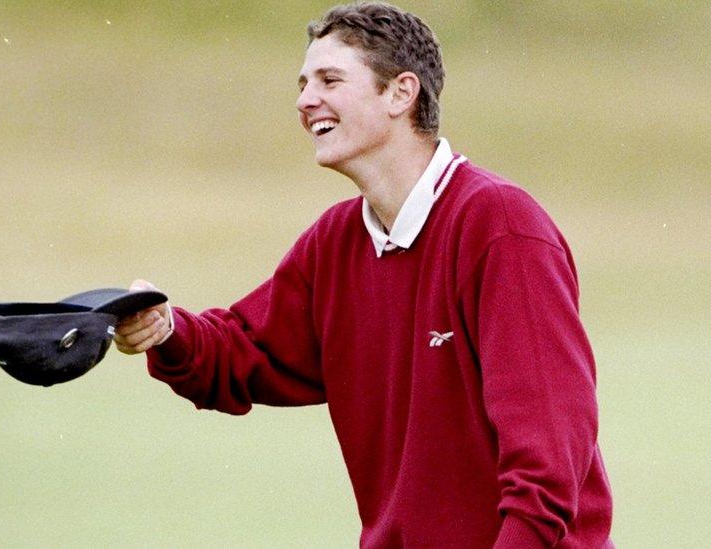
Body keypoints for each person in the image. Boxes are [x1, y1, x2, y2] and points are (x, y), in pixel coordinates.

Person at [114, 2, 614, 547]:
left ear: (402, 93)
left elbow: (550, 459)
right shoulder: (335, 243)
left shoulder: (499, 226)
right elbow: (249, 350)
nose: (306, 100)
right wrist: (167, 329)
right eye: (303, 83)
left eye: (330, 79)